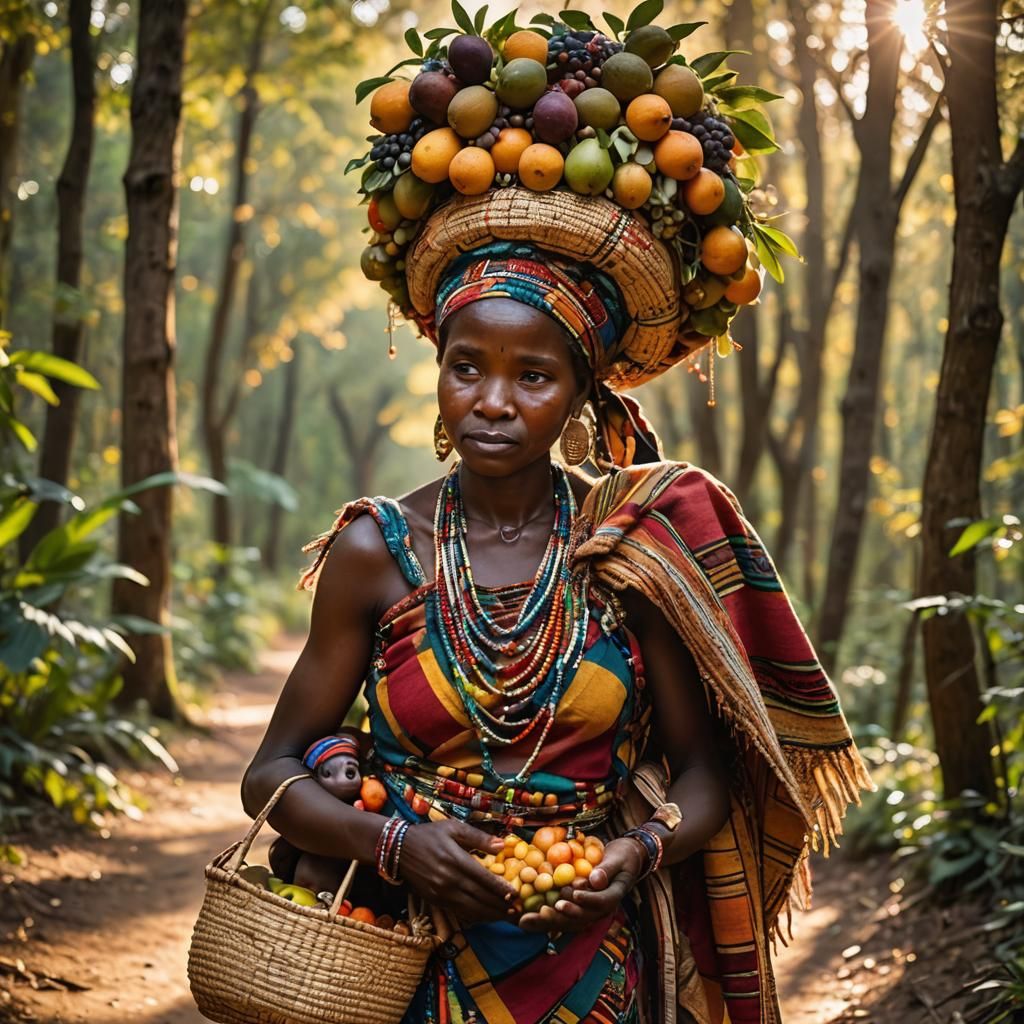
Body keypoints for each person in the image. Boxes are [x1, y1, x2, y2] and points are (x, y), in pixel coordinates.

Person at [241, 215, 873, 1022]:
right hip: (395, 957)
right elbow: (269, 774)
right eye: (466, 368)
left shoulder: (629, 552)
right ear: (438, 375)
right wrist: (394, 846)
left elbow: (702, 773)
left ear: (580, 393)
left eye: (533, 377)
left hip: (593, 970)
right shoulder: (377, 550)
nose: (493, 403)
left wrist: (636, 852)